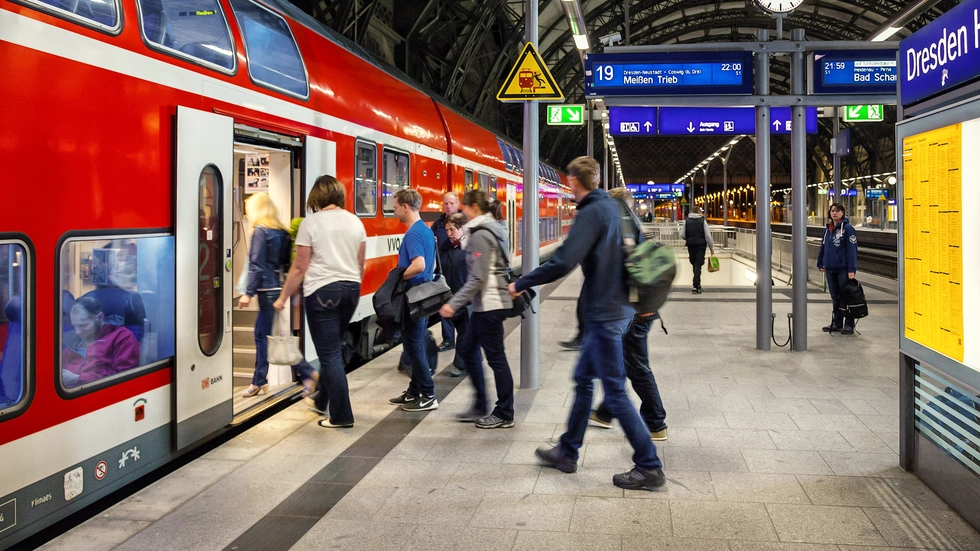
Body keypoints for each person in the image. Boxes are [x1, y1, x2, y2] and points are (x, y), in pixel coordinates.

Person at [509, 156, 666, 491]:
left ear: (572, 181)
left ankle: (649, 464)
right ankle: (567, 452)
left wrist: (522, 282)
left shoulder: (592, 212)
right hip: (618, 310)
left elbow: (564, 260)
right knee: (583, 380)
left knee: (615, 392)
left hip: (605, 314)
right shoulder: (616, 208)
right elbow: (640, 249)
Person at [274, 176, 366, 428]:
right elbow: (360, 264)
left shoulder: (311, 223)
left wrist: (283, 297)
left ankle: (342, 416)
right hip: (351, 289)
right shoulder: (355, 221)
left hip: (322, 292)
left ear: (317, 196)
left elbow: (299, 267)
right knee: (333, 348)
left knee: (329, 355)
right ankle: (320, 400)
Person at [589, 187, 668, 441]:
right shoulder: (633, 227)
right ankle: (605, 413)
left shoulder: (625, 231)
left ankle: (656, 423)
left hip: (637, 311)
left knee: (637, 366)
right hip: (640, 308)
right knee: (623, 361)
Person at [439, 190, 514, 429]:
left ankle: (504, 412)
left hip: (490, 304)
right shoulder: (488, 229)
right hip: (487, 304)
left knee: (495, 358)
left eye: (464, 208)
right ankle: (481, 403)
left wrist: (453, 303)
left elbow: (478, 278)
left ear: (473, 208)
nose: (461, 211)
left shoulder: (481, 235)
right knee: (468, 348)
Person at [238, 193, 318, 398]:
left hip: (265, 289)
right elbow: (285, 263)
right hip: (279, 286)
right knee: (268, 335)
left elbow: (255, 264)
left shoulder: (260, 231)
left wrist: (248, 293)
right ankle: (260, 380)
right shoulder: (281, 232)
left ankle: (304, 371)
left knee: (262, 335)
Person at [388, 188, 439, 412]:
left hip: (414, 293)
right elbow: (432, 265)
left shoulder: (413, 234)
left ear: (405, 207)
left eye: (396, 207)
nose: (394, 211)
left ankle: (428, 393)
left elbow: (418, 264)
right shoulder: (426, 230)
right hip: (424, 293)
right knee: (412, 343)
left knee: (414, 345)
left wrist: (399, 276)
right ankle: (414, 391)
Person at [62, 296, 140, 387]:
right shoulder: (74, 340)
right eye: (74, 326)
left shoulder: (122, 337)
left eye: (83, 326)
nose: (77, 332)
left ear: (100, 317)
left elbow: (122, 376)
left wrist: (78, 378)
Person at [442, 213, 480, 378]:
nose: (449, 233)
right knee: (463, 331)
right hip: (452, 295)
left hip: (468, 298)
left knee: (466, 332)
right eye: (447, 230)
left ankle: (462, 364)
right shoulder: (446, 246)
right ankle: (470, 362)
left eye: (452, 229)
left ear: (462, 227)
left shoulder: (472, 246)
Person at [817, 202, 858, 335]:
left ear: (842, 213)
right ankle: (837, 322)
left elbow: (852, 250)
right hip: (830, 269)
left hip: (843, 269)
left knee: (846, 296)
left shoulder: (848, 229)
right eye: (833, 210)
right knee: (835, 297)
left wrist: (852, 270)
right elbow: (823, 247)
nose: (835, 213)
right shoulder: (827, 230)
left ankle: (849, 324)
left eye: (838, 211)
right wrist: (821, 262)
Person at [432, 192, 460, 353]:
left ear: (457, 204)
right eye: (445, 204)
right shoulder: (438, 224)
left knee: (462, 307)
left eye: (451, 203)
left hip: (460, 270)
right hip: (444, 270)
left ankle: (465, 339)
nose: (448, 206)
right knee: (445, 304)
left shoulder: (465, 222)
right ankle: (449, 339)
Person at [680, 207, 714, 294]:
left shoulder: (687, 221)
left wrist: (689, 239)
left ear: (691, 212)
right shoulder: (702, 221)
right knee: (698, 264)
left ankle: (696, 284)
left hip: (690, 245)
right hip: (701, 246)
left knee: (694, 263)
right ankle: (696, 285)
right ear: (699, 212)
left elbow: (682, 234)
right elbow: (708, 236)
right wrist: (711, 247)